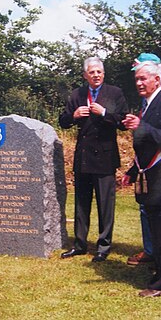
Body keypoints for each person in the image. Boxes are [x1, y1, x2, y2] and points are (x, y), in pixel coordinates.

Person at [121, 61, 161, 297]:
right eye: (137, 79)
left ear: (157, 80)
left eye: (143, 79)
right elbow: (148, 144)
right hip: (152, 175)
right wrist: (132, 171)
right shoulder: (149, 103)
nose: (139, 83)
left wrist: (142, 126)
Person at [59, 56, 128, 262]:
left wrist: (105, 112)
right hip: (83, 157)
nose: (96, 75)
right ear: (85, 75)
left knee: (105, 205)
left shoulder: (115, 93)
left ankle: (103, 247)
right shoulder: (77, 94)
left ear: (103, 74)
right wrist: (74, 116)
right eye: (91, 72)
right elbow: (62, 121)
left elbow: (124, 121)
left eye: (99, 71)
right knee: (81, 203)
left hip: (105, 157)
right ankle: (79, 245)